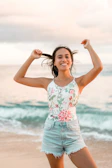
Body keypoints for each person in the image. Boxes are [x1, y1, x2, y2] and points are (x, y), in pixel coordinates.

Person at [13, 39, 103, 168]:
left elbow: (98, 67)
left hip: (72, 135)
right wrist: (31, 57)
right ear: (54, 62)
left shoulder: (79, 82)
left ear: (71, 61)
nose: (64, 59)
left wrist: (89, 47)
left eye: (67, 57)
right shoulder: (46, 83)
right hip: (51, 133)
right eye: (59, 57)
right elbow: (18, 78)